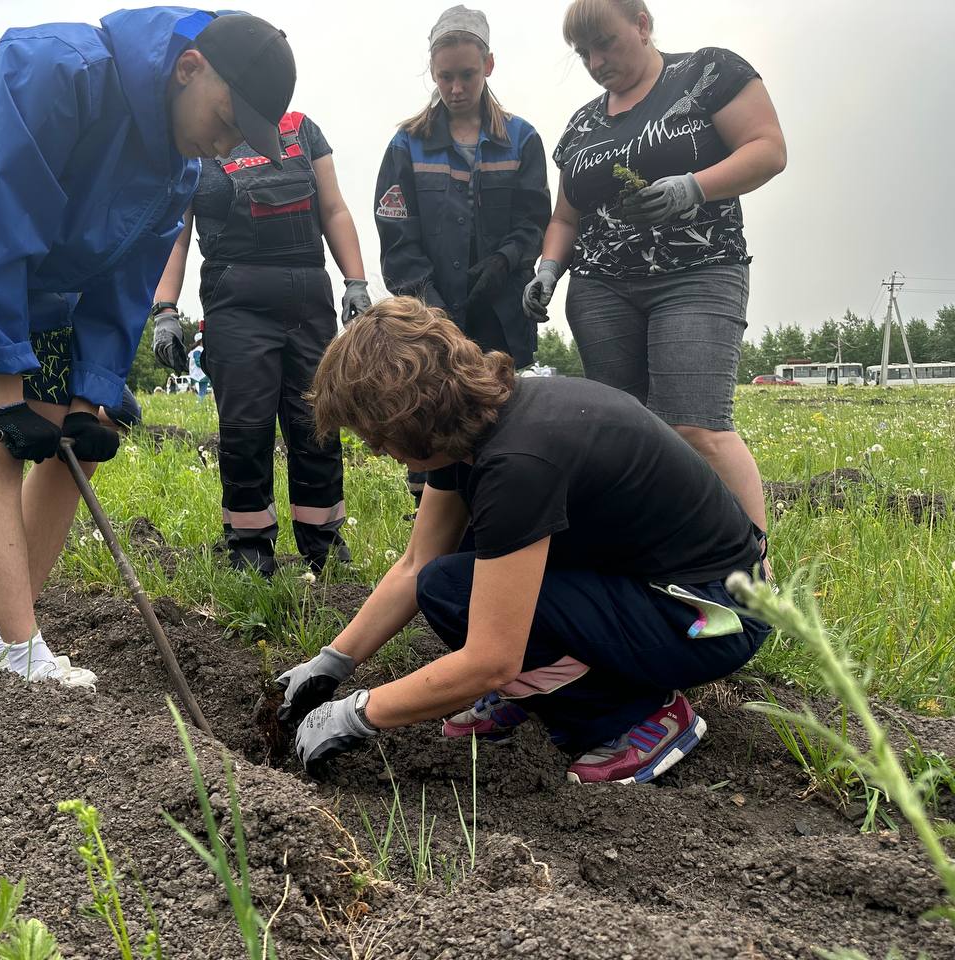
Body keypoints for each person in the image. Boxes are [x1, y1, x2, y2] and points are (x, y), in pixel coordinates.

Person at [0, 8, 295, 686]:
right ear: (189, 70)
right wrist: (8, 390)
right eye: (226, 119)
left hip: (41, 274)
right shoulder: (52, 68)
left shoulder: (177, 169)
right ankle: (21, 655)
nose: (224, 145)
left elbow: (124, 289)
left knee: (81, 441)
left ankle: (0, 640)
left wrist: (89, 395)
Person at [276, 297, 770, 783]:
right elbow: (415, 564)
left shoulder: (521, 463)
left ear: (413, 417)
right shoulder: (472, 424)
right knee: (445, 578)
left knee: (457, 592)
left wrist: (359, 713)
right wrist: (331, 664)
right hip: (654, 583)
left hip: (713, 616)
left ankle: (637, 720)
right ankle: (539, 692)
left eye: (374, 434)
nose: (375, 449)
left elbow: (491, 659)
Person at [523, 0, 786, 542]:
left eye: (606, 44)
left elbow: (767, 149)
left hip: (697, 272)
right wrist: (548, 270)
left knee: (696, 426)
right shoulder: (582, 125)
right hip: (599, 289)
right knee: (624, 430)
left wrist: (694, 186)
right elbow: (566, 216)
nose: (595, 61)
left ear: (642, 25)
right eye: (583, 53)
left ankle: (749, 567)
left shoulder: (709, 73)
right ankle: (654, 553)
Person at [151, 106, 370, 576]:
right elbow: (177, 236)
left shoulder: (301, 129)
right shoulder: (196, 135)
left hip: (309, 297)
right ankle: (249, 549)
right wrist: (165, 309)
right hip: (235, 299)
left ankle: (325, 545)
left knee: (318, 422)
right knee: (245, 429)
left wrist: (356, 281)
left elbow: (333, 208)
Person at [375, 5, 551, 507]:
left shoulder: (522, 139)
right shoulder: (406, 145)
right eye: (445, 76)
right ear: (432, 72)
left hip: (500, 312)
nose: (456, 88)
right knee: (433, 414)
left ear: (489, 66)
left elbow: (533, 219)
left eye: (467, 75)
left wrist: (505, 260)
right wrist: (425, 301)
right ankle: (430, 526)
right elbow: (395, 229)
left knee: (498, 413)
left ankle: (496, 515)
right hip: (430, 314)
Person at [188, 331, 210, 400]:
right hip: (201, 374)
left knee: (201, 392)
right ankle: (199, 406)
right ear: (201, 341)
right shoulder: (198, 350)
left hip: (198, 374)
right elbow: (198, 362)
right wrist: (207, 366)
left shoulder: (196, 350)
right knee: (202, 392)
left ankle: (199, 405)